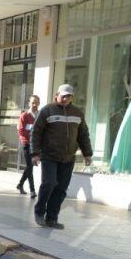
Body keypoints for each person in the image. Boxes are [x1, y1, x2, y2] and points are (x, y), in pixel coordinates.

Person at [30, 84, 93, 229]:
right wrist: (35, 153)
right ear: (57, 95)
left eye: (69, 96)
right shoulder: (47, 110)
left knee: (61, 189)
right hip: (49, 156)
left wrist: (87, 154)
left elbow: (83, 135)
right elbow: (36, 132)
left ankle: (52, 218)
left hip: (68, 158)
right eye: (63, 96)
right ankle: (39, 212)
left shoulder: (77, 113)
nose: (66, 99)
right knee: (49, 183)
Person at [16, 95, 40, 198]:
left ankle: (20, 184)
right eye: (33, 102)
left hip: (36, 145)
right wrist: (27, 138)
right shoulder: (24, 115)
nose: (34, 105)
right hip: (26, 144)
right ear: (29, 103)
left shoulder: (40, 115)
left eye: (36, 102)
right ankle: (32, 190)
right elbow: (21, 131)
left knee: (29, 166)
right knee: (30, 166)